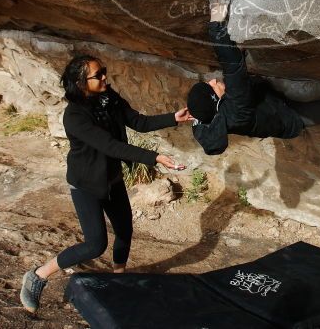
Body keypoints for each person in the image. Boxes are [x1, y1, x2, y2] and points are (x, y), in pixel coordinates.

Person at [19, 55, 193, 314]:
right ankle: (38, 275)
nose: (104, 78)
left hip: (112, 179)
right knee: (95, 245)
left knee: (124, 230)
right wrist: (154, 158)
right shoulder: (75, 116)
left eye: (104, 72)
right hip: (87, 185)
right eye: (98, 75)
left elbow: (138, 122)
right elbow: (110, 146)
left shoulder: (108, 97)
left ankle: (119, 279)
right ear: (80, 82)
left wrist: (174, 118)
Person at [187, 0, 320, 156]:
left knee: (246, 78)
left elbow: (202, 107)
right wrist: (216, 23)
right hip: (289, 119)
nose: (213, 80)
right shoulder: (237, 112)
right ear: (217, 102)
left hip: (265, 99)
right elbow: (231, 68)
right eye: (212, 86)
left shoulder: (204, 117)